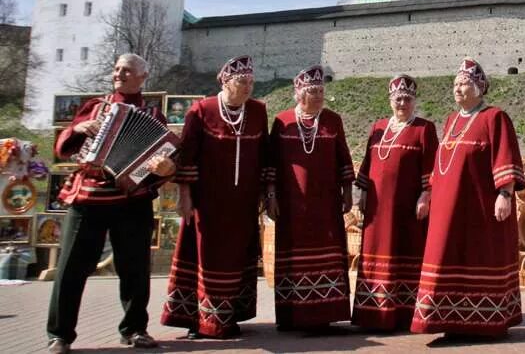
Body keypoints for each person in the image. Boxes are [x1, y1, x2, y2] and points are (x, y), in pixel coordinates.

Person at [46, 53, 175, 354]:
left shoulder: (153, 116)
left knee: (135, 268)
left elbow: (163, 162)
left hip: (131, 199)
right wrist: (77, 129)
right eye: (116, 69)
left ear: (142, 76)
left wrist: (164, 169)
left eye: (126, 70)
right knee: (71, 267)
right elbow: (64, 148)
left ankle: (134, 329)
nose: (119, 74)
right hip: (89, 195)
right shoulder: (94, 107)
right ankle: (59, 334)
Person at [410, 59, 525, 341]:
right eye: (455, 84)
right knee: (445, 257)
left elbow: (505, 156)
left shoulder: (494, 117)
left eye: (463, 84)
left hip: (479, 209)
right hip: (447, 210)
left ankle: (486, 323)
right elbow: (441, 164)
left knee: (480, 257)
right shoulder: (451, 121)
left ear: (479, 87)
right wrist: (428, 193)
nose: (457, 89)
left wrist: (505, 194)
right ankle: (449, 321)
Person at [161, 55, 270, 339]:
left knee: (234, 259)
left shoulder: (258, 111)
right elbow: (186, 157)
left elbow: (264, 156)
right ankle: (197, 320)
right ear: (225, 81)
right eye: (241, 82)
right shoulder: (202, 110)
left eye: (250, 82)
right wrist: (184, 196)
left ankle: (228, 317)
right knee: (203, 257)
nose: (247, 88)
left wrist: (263, 194)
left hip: (242, 204)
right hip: (206, 204)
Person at [265, 65, 355, 331]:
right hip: (291, 204)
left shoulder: (332, 120)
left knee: (326, 253)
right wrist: (270, 195)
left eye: (321, 91)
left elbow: (343, 157)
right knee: (293, 256)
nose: (318, 95)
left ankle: (323, 314)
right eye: (312, 91)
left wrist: (347, 192)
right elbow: (270, 162)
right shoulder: (282, 121)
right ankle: (293, 315)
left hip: (325, 203)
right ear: (299, 93)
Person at [352, 75, 437, 331]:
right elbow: (368, 164)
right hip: (378, 211)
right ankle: (373, 314)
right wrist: (363, 193)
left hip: (407, 210)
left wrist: (426, 196)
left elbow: (433, 168)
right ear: (390, 100)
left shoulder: (424, 128)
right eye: (398, 98)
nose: (402, 103)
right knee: (376, 254)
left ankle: (405, 314)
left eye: (408, 99)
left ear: (414, 101)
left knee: (407, 254)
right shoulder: (379, 127)